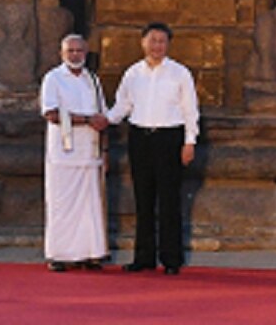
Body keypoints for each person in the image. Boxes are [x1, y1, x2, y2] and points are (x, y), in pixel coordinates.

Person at [107, 22, 199, 275]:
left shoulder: (180, 73)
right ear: (143, 42)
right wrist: (104, 120)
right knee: (143, 198)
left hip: (170, 138)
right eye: (153, 40)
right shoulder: (133, 73)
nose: (157, 45)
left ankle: (171, 259)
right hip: (140, 137)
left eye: (162, 41)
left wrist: (189, 141)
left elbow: (190, 110)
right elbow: (122, 105)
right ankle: (144, 257)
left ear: (168, 44)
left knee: (169, 200)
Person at [40, 34, 109, 273]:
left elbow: (103, 115)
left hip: (90, 152)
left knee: (89, 205)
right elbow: (51, 113)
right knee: (62, 204)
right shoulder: (54, 78)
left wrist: (105, 148)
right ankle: (58, 254)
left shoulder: (93, 80)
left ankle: (89, 254)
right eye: (70, 51)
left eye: (79, 51)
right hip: (64, 153)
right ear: (62, 53)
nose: (75, 55)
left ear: (86, 53)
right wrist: (86, 120)